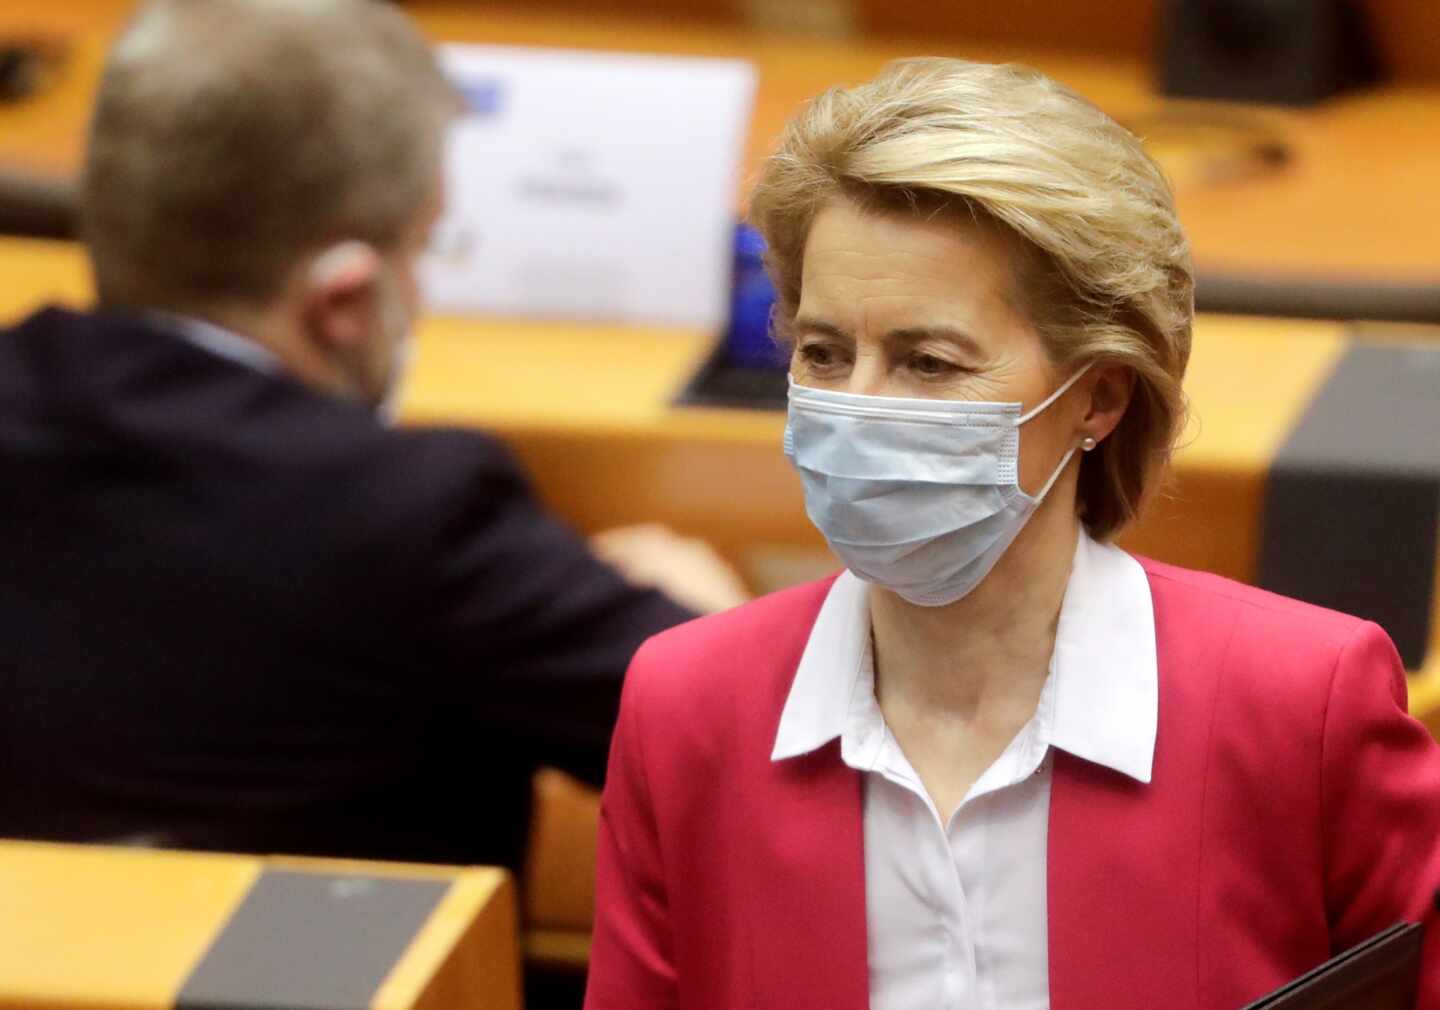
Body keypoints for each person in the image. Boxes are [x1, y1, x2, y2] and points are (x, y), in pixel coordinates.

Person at [585, 58, 1440, 1010]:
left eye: (929, 363)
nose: (857, 408)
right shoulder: (687, 711)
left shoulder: (1297, 705)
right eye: (825, 353)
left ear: (1099, 399)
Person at [0, 0, 747, 872]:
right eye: (422, 250)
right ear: (343, 300)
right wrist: (716, 623)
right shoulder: (410, 513)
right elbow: (739, 748)